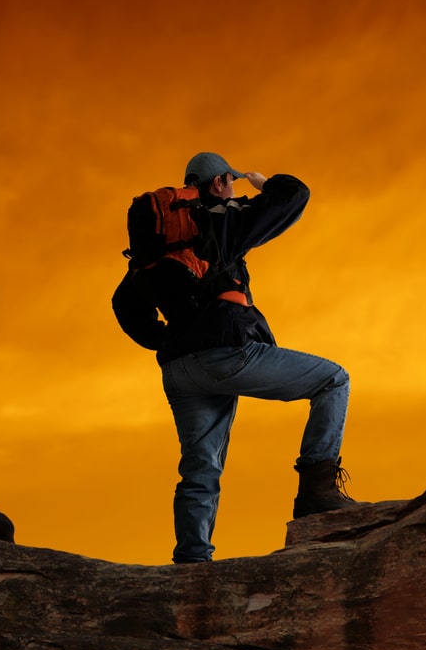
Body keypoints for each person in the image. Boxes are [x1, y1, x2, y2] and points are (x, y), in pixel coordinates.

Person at [112, 151, 357, 564]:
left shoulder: (157, 247)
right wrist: (263, 183)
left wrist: (169, 338)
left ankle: (192, 562)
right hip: (226, 356)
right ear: (221, 181)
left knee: (200, 469)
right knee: (333, 380)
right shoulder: (220, 224)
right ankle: (317, 493)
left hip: (180, 370)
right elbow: (293, 196)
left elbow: (124, 305)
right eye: (232, 182)